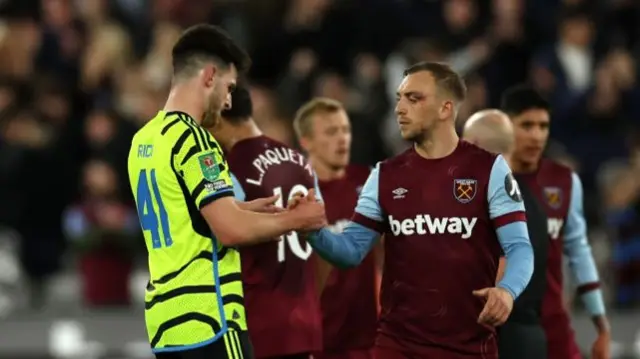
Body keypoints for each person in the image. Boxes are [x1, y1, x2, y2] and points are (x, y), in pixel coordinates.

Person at [294, 62, 534, 358]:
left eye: (414, 98)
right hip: (398, 346)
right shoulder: (385, 176)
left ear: (445, 109)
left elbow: (520, 247)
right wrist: (314, 231)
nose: (400, 109)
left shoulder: (489, 170)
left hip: (469, 347)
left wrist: (507, 290)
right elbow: (351, 250)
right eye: (399, 98)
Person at [127, 24, 326, 359]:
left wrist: (249, 210)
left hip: (167, 322)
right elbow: (230, 231)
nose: (230, 99)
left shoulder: (144, 140)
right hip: (210, 317)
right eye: (229, 86)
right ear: (209, 76)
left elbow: (187, 217)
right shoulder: (194, 140)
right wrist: (298, 219)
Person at [210, 84, 323, 359]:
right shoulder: (301, 163)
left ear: (218, 116)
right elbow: (321, 232)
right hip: (304, 321)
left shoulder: (225, 168)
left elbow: (225, 232)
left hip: (256, 324)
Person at [500, 85, 611, 359]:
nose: (536, 135)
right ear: (505, 126)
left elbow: (579, 250)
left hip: (552, 323)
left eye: (543, 126)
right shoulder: (484, 182)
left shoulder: (564, 181)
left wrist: (598, 317)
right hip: (497, 324)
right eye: (526, 125)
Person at [293, 98, 380, 359]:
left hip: (368, 336)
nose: (342, 139)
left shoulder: (367, 182)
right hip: (318, 339)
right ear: (306, 141)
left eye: (345, 130)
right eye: (331, 132)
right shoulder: (299, 194)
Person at [463, 109, 549, 359]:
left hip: (503, 339)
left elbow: (498, 275)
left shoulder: (497, 202)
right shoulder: (531, 201)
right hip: (528, 334)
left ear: (475, 145)